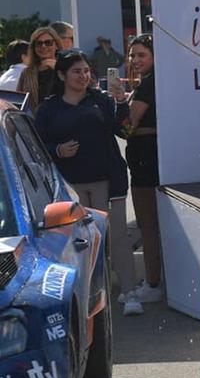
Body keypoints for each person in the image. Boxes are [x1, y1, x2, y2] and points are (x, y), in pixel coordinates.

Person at [34, 50, 141, 315]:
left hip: (108, 181)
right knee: (76, 244)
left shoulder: (102, 101)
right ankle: (80, 301)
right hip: (68, 187)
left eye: (86, 71)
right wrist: (58, 150)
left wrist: (121, 103)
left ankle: (128, 293)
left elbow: (126, 130)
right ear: (61, 75)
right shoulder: (48, 108)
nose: (84, 76)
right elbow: (35, 148)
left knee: (116, 238)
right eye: (76, 71)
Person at [122, 34, 164, 303]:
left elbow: (128, 127)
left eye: (141, 55)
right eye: (132, 55)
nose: (135, 60)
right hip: (151, 157)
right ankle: (156, 279)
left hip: (144, 159)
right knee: (153, 224)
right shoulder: (151, 82)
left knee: (148, 224)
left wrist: (115, 108)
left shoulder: (148, 85)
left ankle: (152, 282)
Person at [17, 26, 62, 106]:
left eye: (48, 42)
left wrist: (58, 68)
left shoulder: (67, 67)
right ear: (33, 48)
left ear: (57, 45)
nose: (43, 46)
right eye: (38, 43)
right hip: (35, 117)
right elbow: (19, 101)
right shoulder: (27, 73)